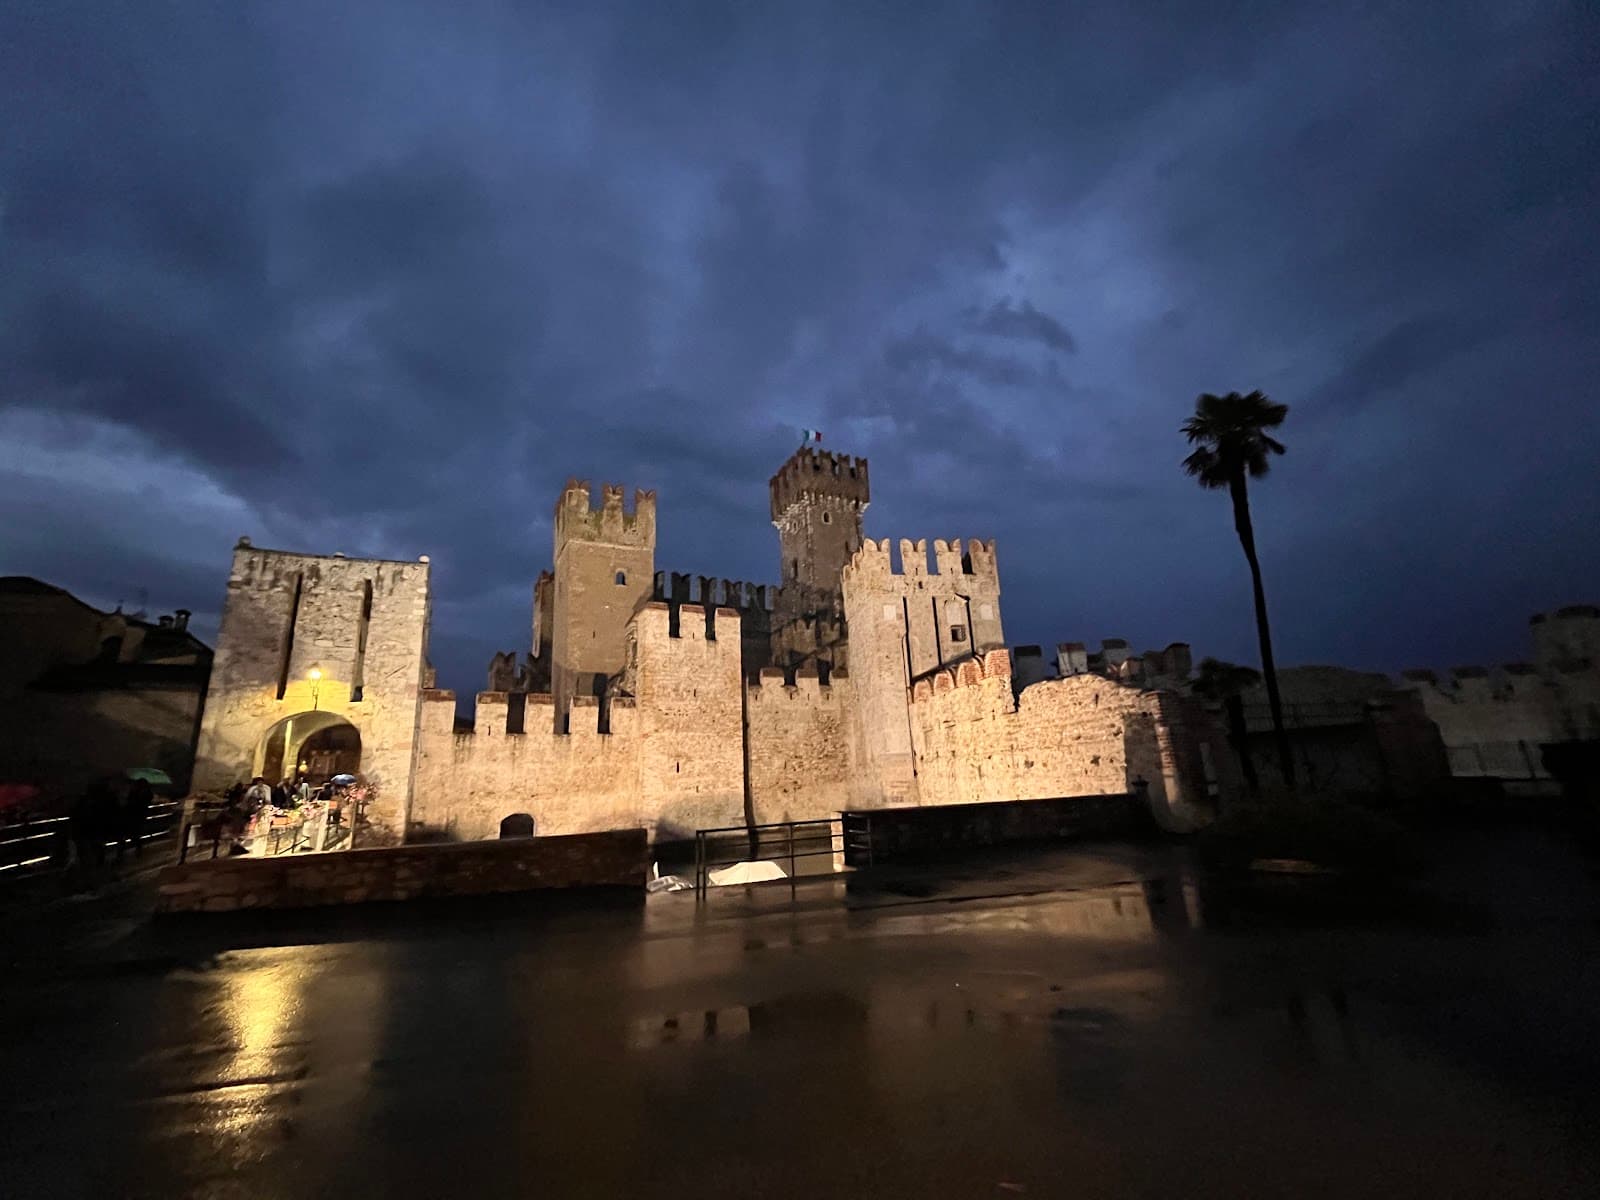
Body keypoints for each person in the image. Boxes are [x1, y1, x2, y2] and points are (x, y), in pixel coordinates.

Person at [121, 776, 153, 858]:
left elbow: (130, 802)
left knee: (131, 833)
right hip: (138, 816)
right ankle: (136, 849)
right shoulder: (144, 793)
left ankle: (123, 852)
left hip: (134, 815)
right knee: (134, 834)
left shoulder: (138, 793)